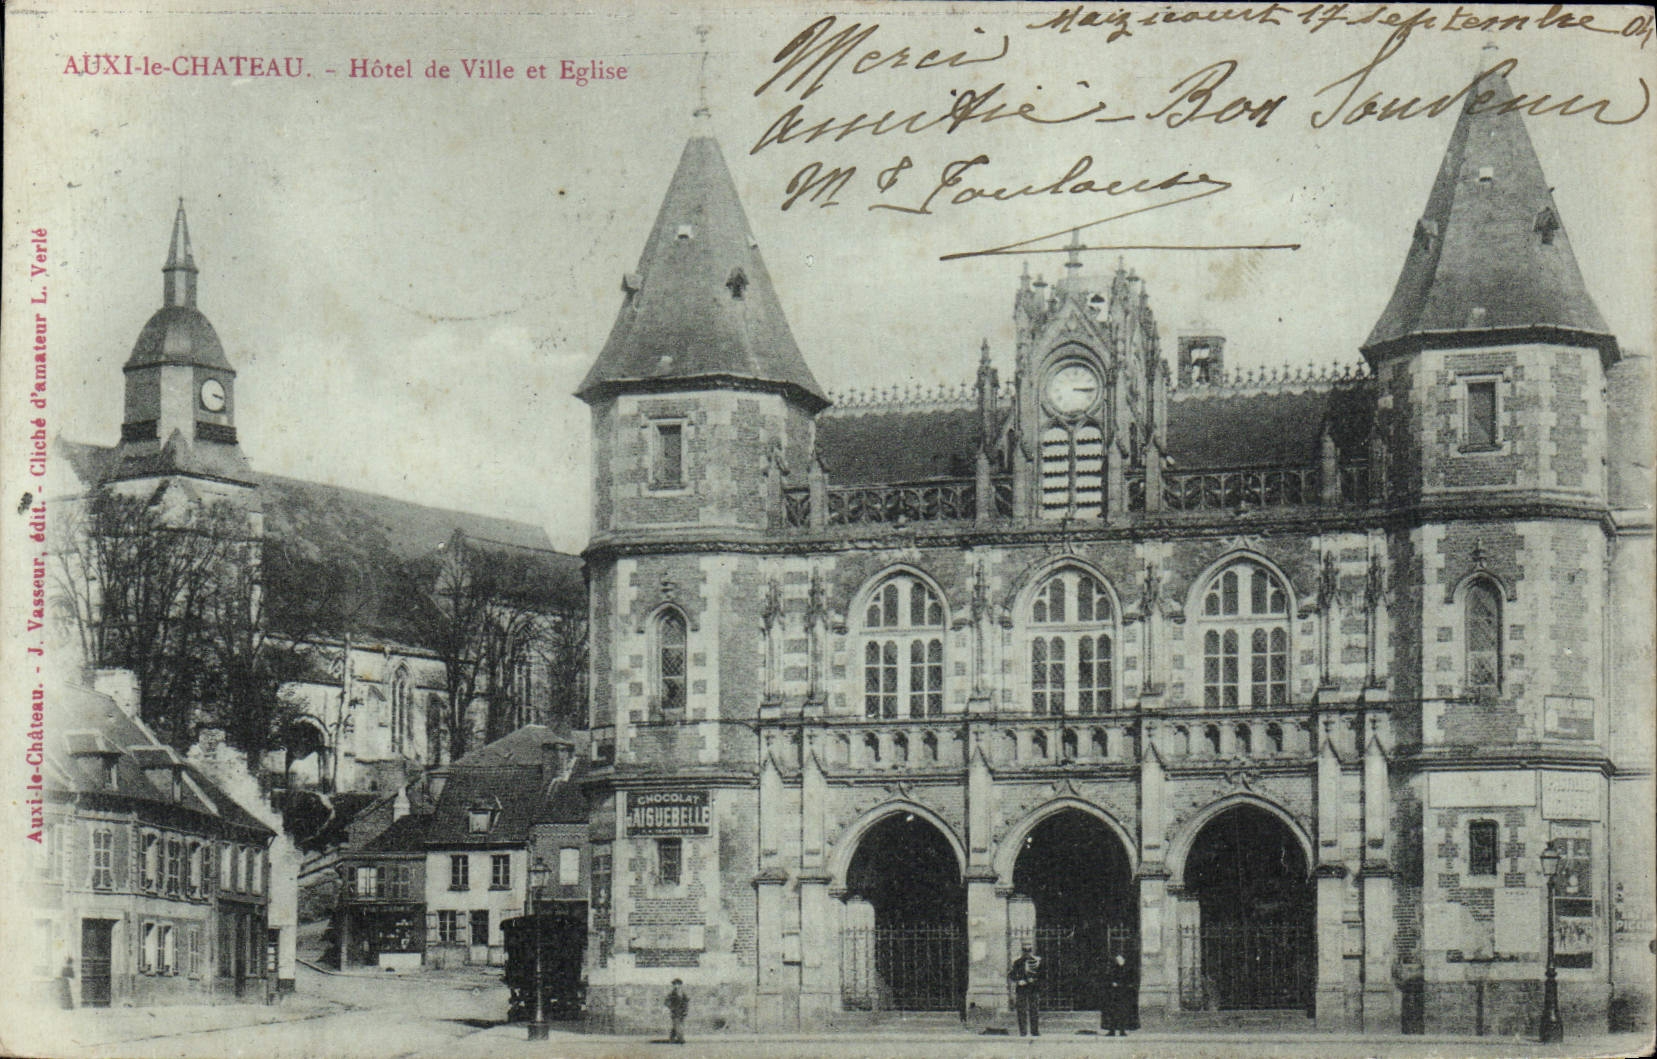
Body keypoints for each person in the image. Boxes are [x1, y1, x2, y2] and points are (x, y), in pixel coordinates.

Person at [1100, 951, 1138, 1036]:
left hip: (1124, 995)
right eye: (1117, 959)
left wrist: (1121, 985)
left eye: (1120, 959)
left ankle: (1122, 1030)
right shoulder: (1114, 969)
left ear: (1123, 959)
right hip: (1114, 995)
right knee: (1112, 1013)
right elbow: (1109, 978)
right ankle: (1112, 1030)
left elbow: (1131, 982)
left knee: (1123, 1013)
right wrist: (1112, 984)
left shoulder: (1128, 969)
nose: (1118, 961)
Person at [1007, 943, 1041, 1037]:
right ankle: (1023, 1032)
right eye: (1025, 950)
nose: (1027, 952)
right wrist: (1018, 981)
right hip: (1021, 989)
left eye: (1029, 950)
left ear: (1031, 950)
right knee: (1021, 1010)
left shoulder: (1037, 961)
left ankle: (1034, 1031)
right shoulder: (1017, 962)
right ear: (1022, 951)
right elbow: (1011, 974)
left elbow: (1041, 975)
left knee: (1034, 1010)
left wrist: (1034, 981)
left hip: (1033, 989)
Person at [665, 978, 689, 1044]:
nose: (676, 986)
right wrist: (671, 1007)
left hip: (682, 1012)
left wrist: (686, 1010)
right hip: (675, 1012)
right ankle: (681, 1039)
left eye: (677, 984)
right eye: (674, 984)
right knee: (677, 1025)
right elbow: (666, 1002)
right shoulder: (672, 993)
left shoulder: (683, 993)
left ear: (680, 985)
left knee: (678, 1025)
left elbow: (686, 1002)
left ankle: (671, 1039)